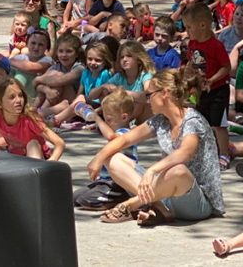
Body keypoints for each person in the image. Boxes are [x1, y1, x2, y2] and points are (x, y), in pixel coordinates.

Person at [89, 68, 225, 225]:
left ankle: (130, 205)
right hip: (165, 193)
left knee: (178, 170)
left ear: (164, 93)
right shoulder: (160, 120)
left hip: (196, 202)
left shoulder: (192, 120)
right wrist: (98, 158)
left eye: (149, 95)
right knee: (111, 157)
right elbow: (124, 140)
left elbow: (185, 153)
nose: (147, 101)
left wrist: (153, 170)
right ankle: (159, 208)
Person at [184, 3, 233, 169]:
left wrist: (212, 80)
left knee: (219, 123)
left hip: (217, 89)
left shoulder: (215, 45)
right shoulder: (193, 43)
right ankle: (201, 151)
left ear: (203, 25)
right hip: (199, 88)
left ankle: (224, 154)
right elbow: (193, 61)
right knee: (198, 121)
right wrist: (188, 72)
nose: (187, 32)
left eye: (189, 27)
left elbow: (226, 67)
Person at [73, 90, 139, 211]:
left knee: (85, 201)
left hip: (116, 183)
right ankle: (105, 196)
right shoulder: (118, 132)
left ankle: (120, 197)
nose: (106, 122)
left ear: (124, 117)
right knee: (74, 198)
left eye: (109, 119)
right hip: (104, 181)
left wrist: (97, 119)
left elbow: (111, 138)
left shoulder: (126, 133)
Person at [51, 41, 114, 129]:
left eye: (98, 60)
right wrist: (76, 108)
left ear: (105, 61)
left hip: (99, 110)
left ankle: (55, 120)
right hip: (86, 109)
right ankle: (49, 116)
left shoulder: (105, 74)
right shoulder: (86, 73)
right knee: (76, 99)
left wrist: (94, 112)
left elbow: (107, 101)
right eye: (90, 59)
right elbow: (79, 94)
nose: (93, 62)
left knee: (80, 99)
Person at [33, 33, 85, 120]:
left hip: (73, 105)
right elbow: (36, 85)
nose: (64, 55)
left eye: (68, 51)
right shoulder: (56, 67)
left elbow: (60, 80)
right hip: (59, 102)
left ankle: (41, 113)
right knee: (51, 79)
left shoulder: (79, 68)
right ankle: (33, 109)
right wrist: (47, 90)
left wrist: (38, 79)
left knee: (58, 77)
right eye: (61, 51)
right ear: (56, 53)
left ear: (76, 54)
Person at [10, 29, 53, 101]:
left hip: (37, 96)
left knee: (23, 73)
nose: (36, 47)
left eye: (41, 44)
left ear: (47, 47)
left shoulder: (48, 61)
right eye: (33, 43)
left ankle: (14, 94)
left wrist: (9, 61)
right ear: (27, 44)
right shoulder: (21, 57)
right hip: (24, 92)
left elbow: (30, 68)